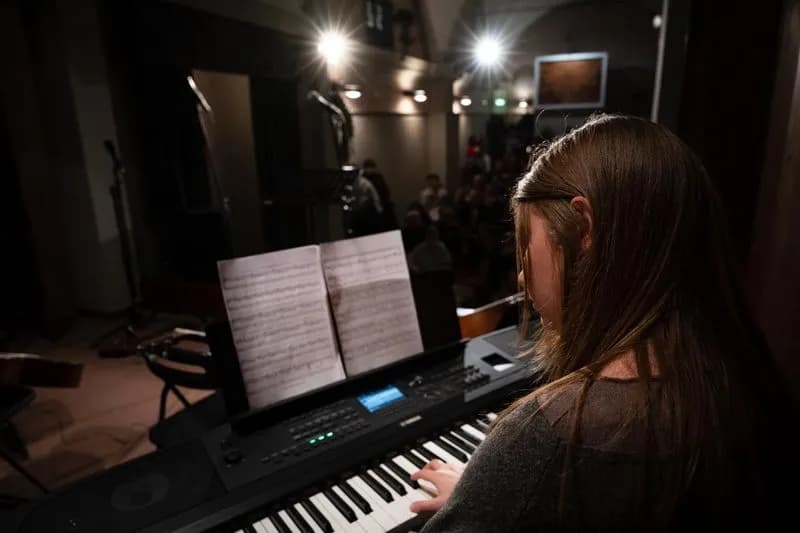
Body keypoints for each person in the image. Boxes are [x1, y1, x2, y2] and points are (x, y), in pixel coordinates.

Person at [409, 114, 797, 530]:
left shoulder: (548, 435)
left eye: (527, 246)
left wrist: (481, 498)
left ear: (584, 228)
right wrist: (484, 499)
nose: (522, 277)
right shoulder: (747, 380)